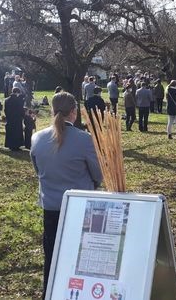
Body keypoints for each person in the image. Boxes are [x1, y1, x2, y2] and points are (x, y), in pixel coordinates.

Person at [30, 92, 103, 298]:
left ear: (53, 110)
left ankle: (51, 293)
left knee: (51, 257)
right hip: (80, 207)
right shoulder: (85, 139)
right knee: (81, 257)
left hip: (51, 206)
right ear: (74, 112)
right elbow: (98, 173)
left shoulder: (37, 138)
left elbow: (38, 170)